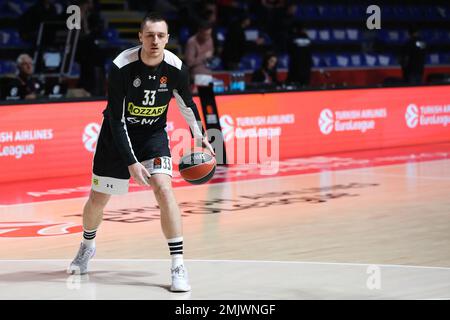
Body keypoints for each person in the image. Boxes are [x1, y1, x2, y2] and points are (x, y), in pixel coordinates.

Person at [67, 12, 215, 293]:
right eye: (149, 35)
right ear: (140, 37)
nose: (155, 41)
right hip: (116, 135)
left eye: (160, 36)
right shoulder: (121, 66)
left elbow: (186, 103)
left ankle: (178, 264)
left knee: (164, 189)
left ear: (168, 39)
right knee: (98, 199)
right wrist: (131, 162)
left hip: (153, 136)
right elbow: (116, 118)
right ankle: (87, 245)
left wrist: (199, 136)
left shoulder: (175, 67)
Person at [184, 21, 215, 87]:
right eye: (205, 35)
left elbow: (211, 55)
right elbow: (189, 63)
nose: (208, 37)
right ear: (199, 32)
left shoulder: (210, 39)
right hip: (196, 74)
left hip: (208, 71)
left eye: (209, 34)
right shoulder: (192, 42)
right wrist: (204, 56)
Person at [286, 21, 313, 87]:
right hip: (299, 66)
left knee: (301, 86)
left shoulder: (306, 38)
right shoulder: (305, 38)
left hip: (302, 66)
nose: (305, 30)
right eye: (304, 29)